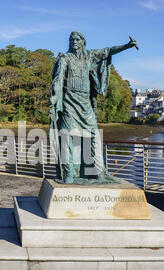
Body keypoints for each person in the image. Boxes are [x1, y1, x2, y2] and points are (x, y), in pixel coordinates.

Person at [49, 31, 138, 184]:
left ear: (83, 42)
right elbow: (58, 79)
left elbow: (108, 51)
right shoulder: (64, 59)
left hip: (85, 103)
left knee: (93, 135)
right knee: (68, 136)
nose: (74, 41)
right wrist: (55, 99)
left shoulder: (89, 56)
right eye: (72, 39)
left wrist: (127, 46)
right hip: (69, 101)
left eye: (77, 39)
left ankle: (98, 172)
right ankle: (69, 173)